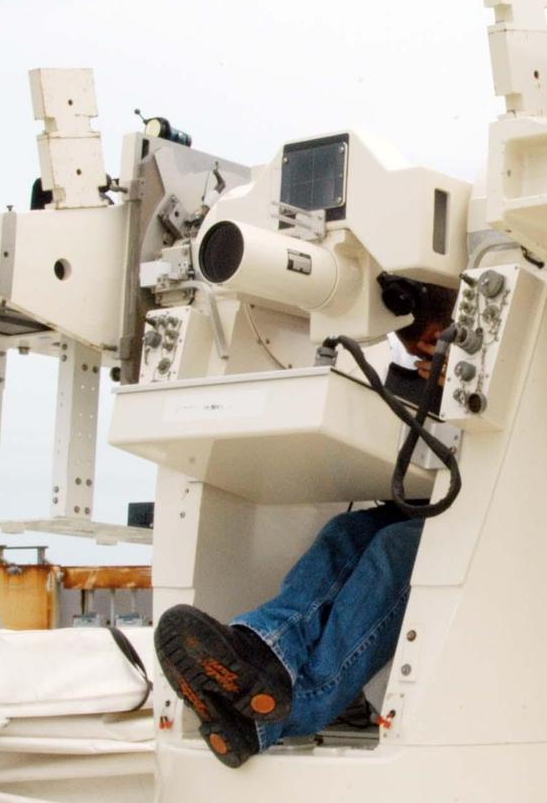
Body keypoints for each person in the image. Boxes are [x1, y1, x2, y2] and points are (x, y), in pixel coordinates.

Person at [154, 283, 456, 768]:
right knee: (344, 533)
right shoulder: (405, 372)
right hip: (434, 503)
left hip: (491, 512)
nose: (423, 351)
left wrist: (461, 387)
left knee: (395, 548)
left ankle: (290, 708)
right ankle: (259, 651)